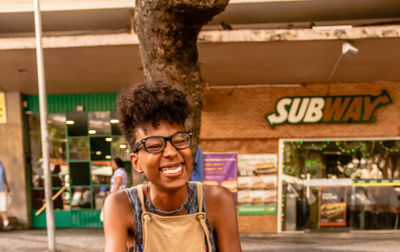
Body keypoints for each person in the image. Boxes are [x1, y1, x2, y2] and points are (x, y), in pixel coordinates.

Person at [103, 81, 241, 252]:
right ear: (136, 162)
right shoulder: (122, 206)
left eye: (179, 141)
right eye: (154, 146)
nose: (171, 152)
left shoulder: (218, 201)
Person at [0, 161, 13, 230]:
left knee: (3, 206)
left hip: (2, 189)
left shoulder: (1, 164)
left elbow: (4, 177)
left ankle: (6, 224)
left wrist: (7, 186)